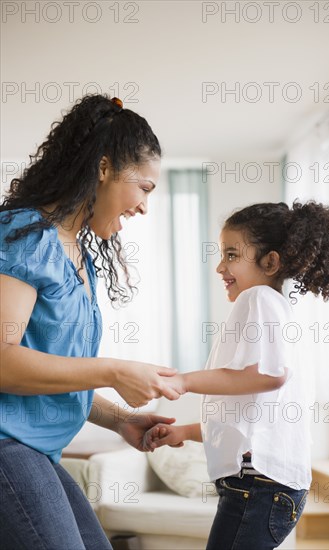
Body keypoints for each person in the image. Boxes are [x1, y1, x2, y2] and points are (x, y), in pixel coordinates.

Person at [0, 94, 181, 549]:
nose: (144, 206)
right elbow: (3, 361)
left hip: (34, 449)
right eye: (144, 188)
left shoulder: (79, 255)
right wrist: (115, 370)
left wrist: (120, 420)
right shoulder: (27, 235)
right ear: (103, 169)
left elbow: (51, 370)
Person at [143, 201, 329, 550]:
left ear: (270, 262)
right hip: (268, 489)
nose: (219, 267)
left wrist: (182, 381)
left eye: (231, 255)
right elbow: (249, 418)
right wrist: (183, 431)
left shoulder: (258, 298)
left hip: (258, 489)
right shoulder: (274, 309)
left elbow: (270, 376)